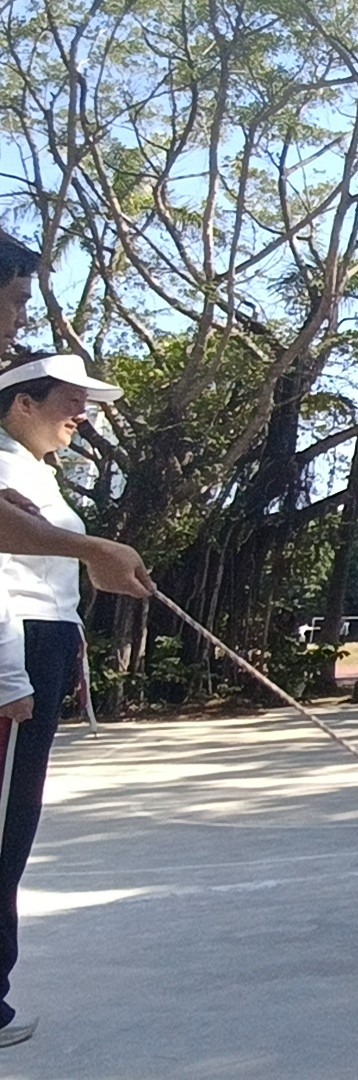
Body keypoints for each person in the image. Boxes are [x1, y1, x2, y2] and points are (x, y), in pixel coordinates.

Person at [0, 344, 149, 1048]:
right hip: (18, 648)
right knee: (4, 825)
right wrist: (10, 674)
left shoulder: (35, 472)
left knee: (14, 825)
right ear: (21, 402)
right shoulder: (3, 464)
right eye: (70, 401)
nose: (81, 416)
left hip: (45, 645)